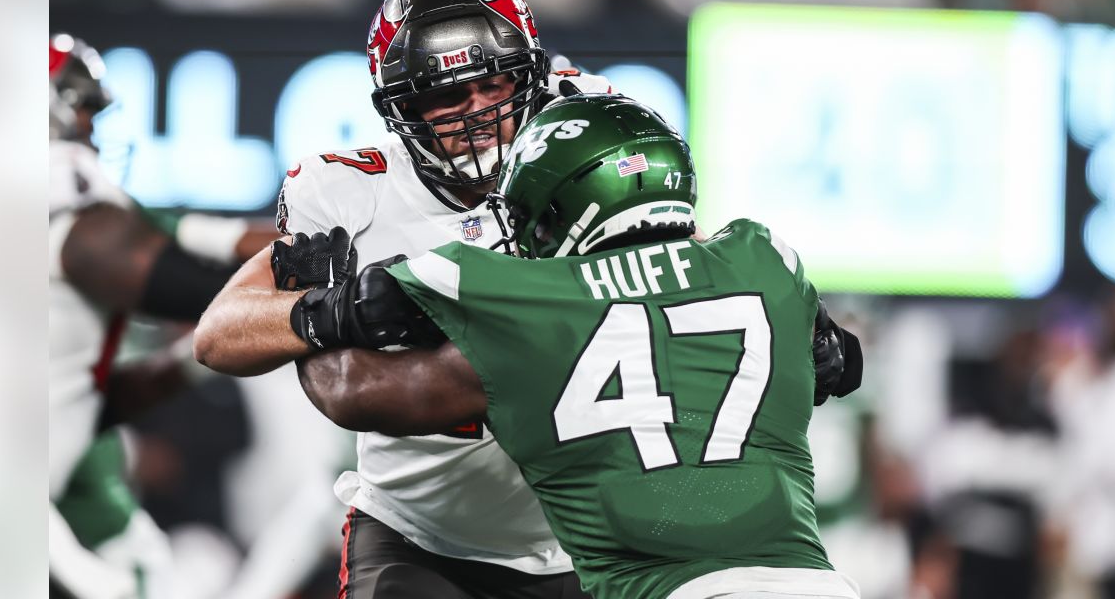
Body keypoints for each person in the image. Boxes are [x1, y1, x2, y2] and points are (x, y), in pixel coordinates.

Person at [290, 94, 864, 599]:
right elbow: (841, 355)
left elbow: (352, 391)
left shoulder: (532, 299)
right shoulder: (766, 256)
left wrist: (320, 301)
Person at [194, 0, 613, 598]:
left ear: (530, 81)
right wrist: (336, 312)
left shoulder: (584, 145)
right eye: (447, 97)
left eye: (493, 86)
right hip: (419, 539)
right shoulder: (351, 191)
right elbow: (220, 334)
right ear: (402, 110)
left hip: (590, 538)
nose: (476, 114)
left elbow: (684, 248)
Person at [49, 34, 278, 599]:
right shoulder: (66, 205)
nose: (93, 131)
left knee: (145, 573)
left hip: (46, 468)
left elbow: (87, 397)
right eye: (84, 110)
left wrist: (208, 349)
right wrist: (300, 292)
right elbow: (162, 270)